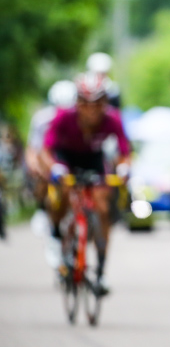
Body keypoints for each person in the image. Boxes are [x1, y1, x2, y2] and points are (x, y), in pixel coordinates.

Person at [40, 72, 132, 294]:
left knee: (102, 207)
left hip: (94, 158)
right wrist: (54, 168)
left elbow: (124, 152)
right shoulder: (63, 117)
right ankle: (56, 234)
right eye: (85, 103)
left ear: (105, 103)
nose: (91, 110)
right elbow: (45, 150)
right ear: (77, 102)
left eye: (97, 103)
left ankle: (100, 272)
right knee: (60, 193)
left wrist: (123, 168)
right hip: (67, 158)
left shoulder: (113, 119)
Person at [25, 80, 77, 243]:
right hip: (47, 155)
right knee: (41, 170)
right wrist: (34, 165)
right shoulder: (42, 119)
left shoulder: (79, 118)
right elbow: (33, 148)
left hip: (69, 156)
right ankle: (42, 208)